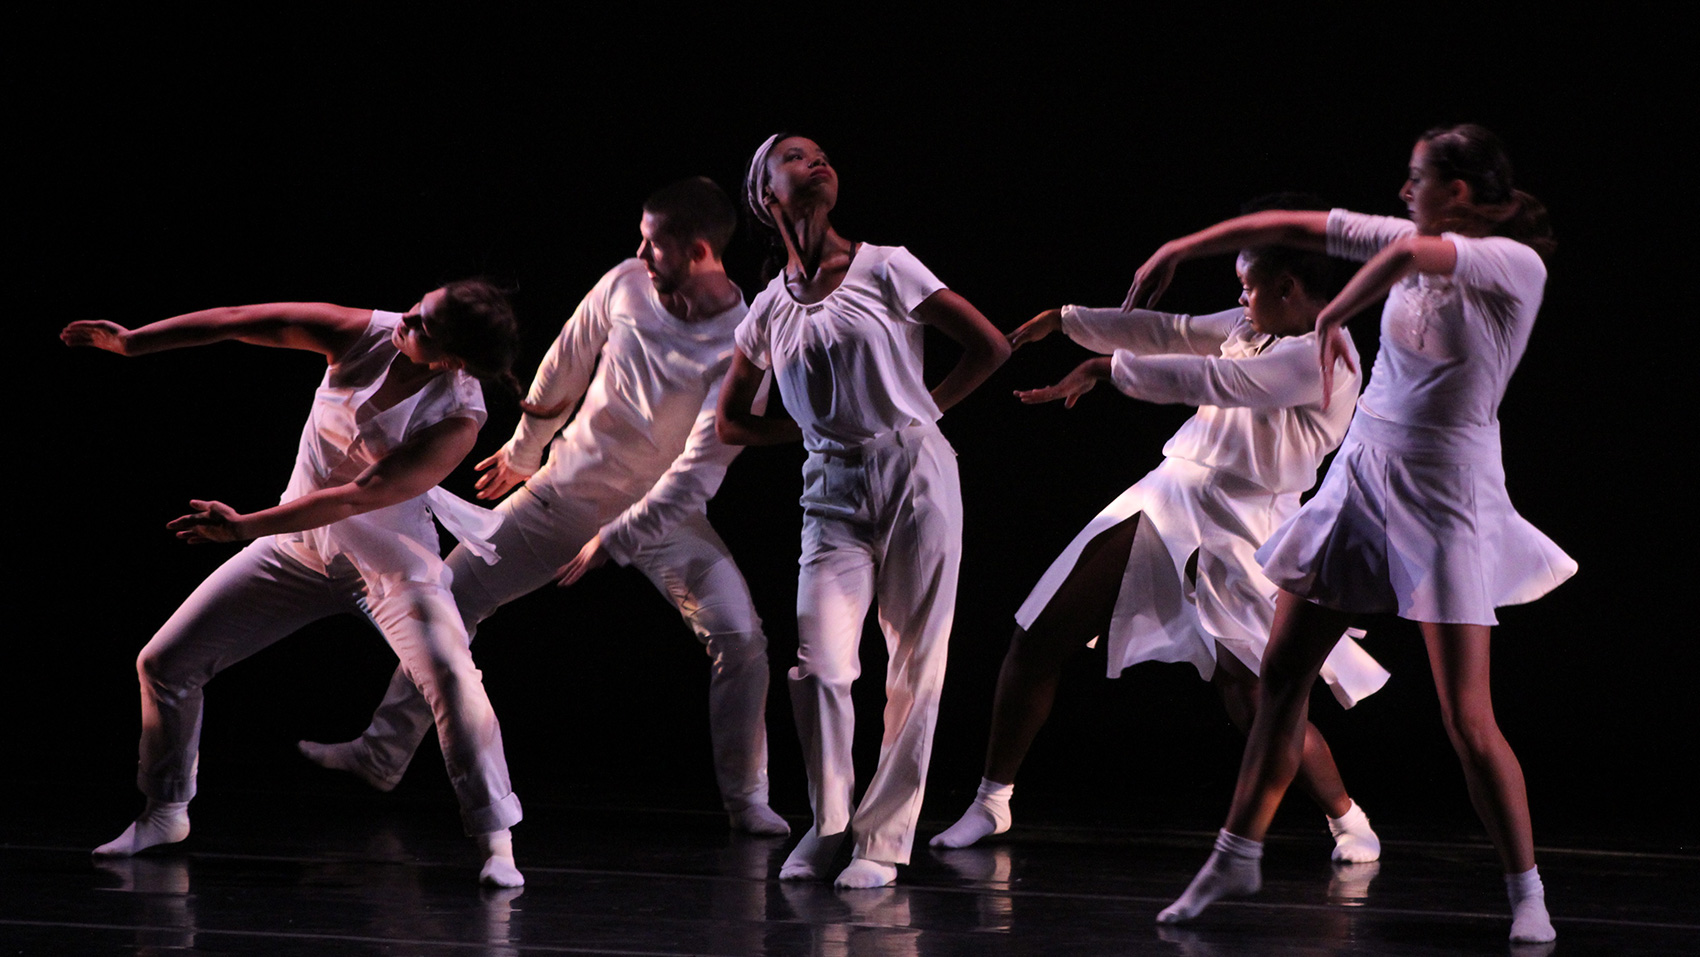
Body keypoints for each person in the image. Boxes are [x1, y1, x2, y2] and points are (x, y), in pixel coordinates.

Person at [1134, 125, 1574, 944]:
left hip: (1446, 490)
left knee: (1467, 717)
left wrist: (1335, 308)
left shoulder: (1514, 265)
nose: (1404, 192)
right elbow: (1299, 226)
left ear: (1466, 194)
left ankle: (1527, 888)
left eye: (1419, 179)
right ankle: (1236, 851)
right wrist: (1182, 245)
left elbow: (1410, 259)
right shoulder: (1413, 235)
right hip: (1364, 472)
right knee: (1280, 670)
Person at [298, 178, 788, 836]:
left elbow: (700, 466)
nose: (640, 254)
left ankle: (745, 798)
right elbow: (566, 360)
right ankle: (383, 751)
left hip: (664, 514)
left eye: (653, 245)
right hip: (565, 490)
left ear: (699, 250)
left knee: (740, 635)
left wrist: (617, 536)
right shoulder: (625, 284)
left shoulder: (743, 340)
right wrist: (526, 451)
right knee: (449, 591)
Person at [930, 231, 1387, 865]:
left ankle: (1348, 819)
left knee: (1253, 694)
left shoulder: (1325, 357)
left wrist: (1105, 369)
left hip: (1249, 521)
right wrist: (1066, 322)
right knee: (1039, 633)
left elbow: (1221, 382)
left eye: (1249, 285)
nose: (1240, 295)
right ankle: (990, 801)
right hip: (1172, 492)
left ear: (1287, 289)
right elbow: (1168, 330)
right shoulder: (1252, 325)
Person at [63, 280, 530, 886]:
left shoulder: (459, 419)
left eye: (424, 325)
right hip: (299, 550)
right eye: (418, 305)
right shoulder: (362, 332)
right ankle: (166, 810)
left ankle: (497, 842)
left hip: (388, 561)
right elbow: (236, 314)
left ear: (451, 358)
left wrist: (244, 526)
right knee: (164, 662)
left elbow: (358, 496)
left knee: (450, 675)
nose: (406, 317)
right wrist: (133, 344)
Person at [718, 134, 1010, 888]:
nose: (817, 161)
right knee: (819, 665)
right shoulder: (768, 308)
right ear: (765, 196)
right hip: (830, 487)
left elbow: (988, 346)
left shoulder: (887, 264)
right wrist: (817, 435)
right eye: (795, 157)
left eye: (822, 154)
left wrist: (924, 411)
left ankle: (882, 841)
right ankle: (831, 820)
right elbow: (731, 423)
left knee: (916, 663)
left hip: (914, 467)